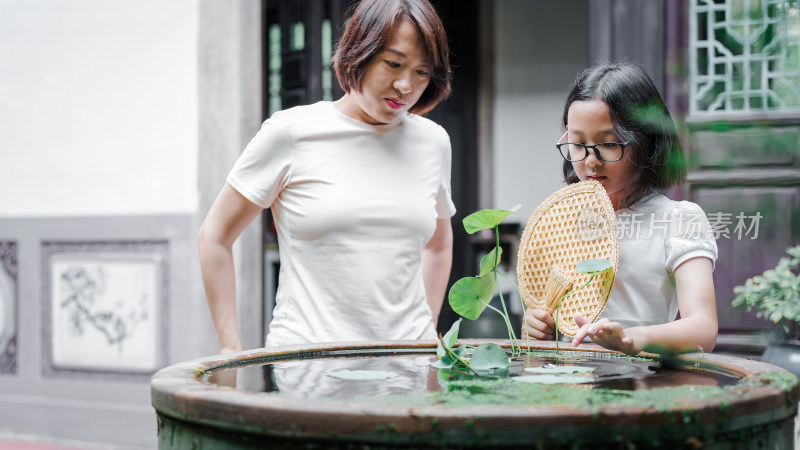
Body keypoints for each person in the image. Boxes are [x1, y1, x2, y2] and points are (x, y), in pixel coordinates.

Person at [198, 0, 455, 353]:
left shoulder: (433, 142)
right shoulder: (291, 132)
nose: (405, 85)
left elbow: (439, 245)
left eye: (422, 72)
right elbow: (214, 236)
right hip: (307, 366)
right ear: (358, 52)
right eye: (393, 63)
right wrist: (230, 350)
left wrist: (424, 334)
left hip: (405, 371)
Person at [522, 63, 718, 356]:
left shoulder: (679, 219)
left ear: (646, 141)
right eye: (578, 143)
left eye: (609, 143)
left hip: (645, 386)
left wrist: (633, 339)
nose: (591, 160)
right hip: (568, 389)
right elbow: (544, 323)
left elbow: (703, 327)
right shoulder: (558, 222)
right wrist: (535, 326)